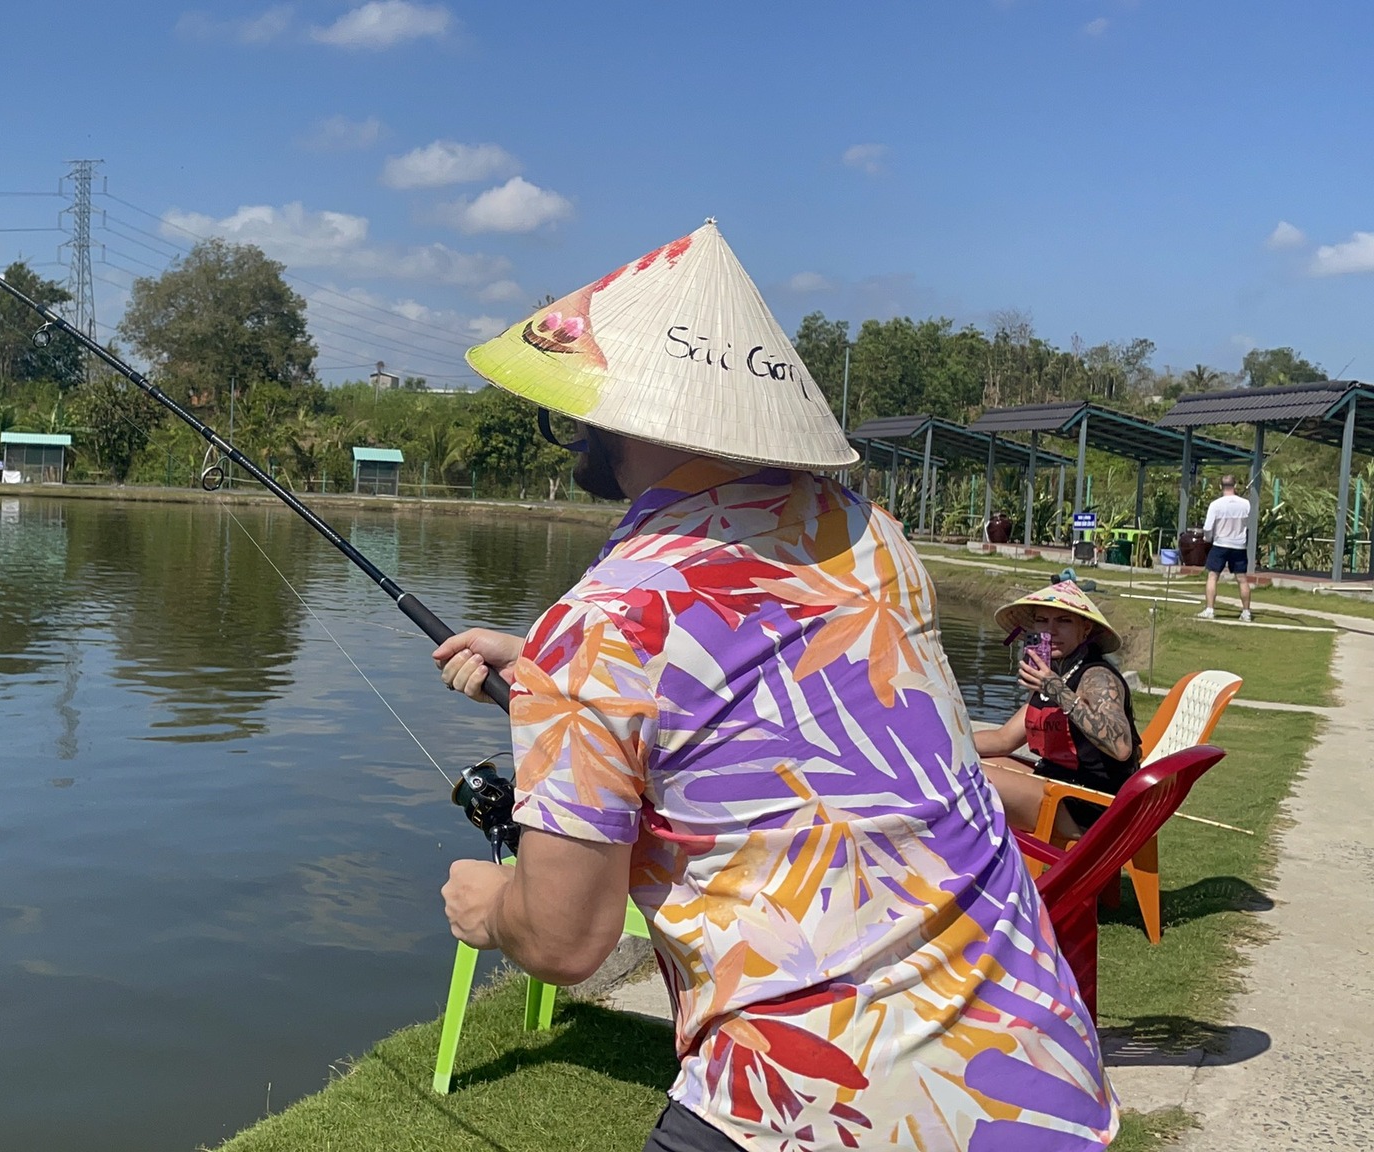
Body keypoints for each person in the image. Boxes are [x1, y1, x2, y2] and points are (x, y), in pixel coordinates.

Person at [432, 222, 1115, 1151]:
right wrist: (541, 680)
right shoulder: (866, 532)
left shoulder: (595, 634)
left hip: (813, 1098)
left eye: (570, 410)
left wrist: (489, 902)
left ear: (628, 411)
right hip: (1027, 1069)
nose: (571, 433)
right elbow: (760, 705)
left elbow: (565, 940)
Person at [973, 581, 1140, 839]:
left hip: (1091, 804)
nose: (1050, 630)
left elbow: (1121, 747)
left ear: (1085, 629)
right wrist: (943, 744)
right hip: (1058, 785)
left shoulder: (1096, 676)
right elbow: (1003, 740)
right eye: (1042, 621)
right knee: (964, 762)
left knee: (970, 778)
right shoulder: (1054, 673)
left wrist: (1055, 689)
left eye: (1063, 621)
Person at [1198, 474, 1252, 621]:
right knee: (1242, 579)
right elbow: (1247, 523)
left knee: (1213, 576)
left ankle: (1210, 610)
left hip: (1220, 544)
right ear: (1235, 486)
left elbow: (1208, 527)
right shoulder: (1246, 504)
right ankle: (1246, 612)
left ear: (1221, 486)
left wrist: (1208, 539)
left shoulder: (1216, 505)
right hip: (1239, 545)